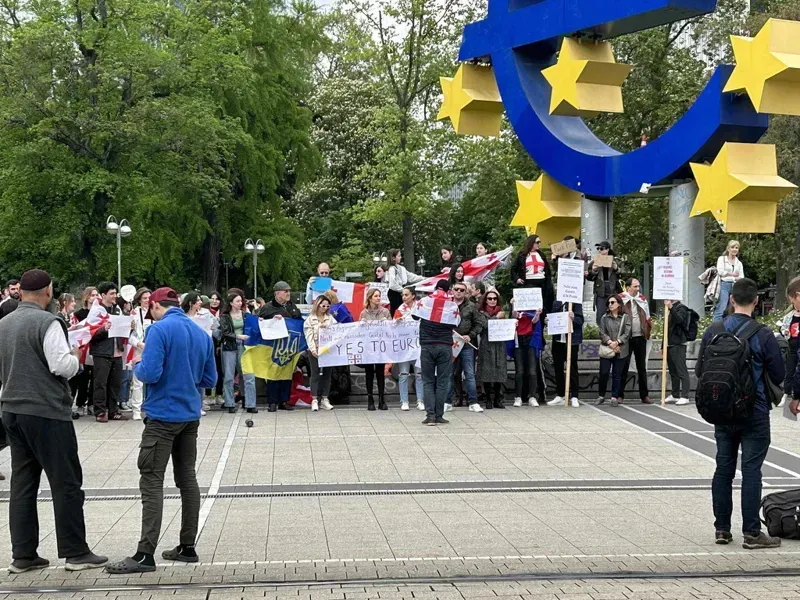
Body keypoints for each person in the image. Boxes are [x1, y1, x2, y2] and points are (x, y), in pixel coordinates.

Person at [0, 269, 107, 573]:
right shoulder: (48, 322)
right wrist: (75, 356)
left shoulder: (4, 323)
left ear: (20, 292)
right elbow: (60, 365)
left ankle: (23, 555)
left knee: (23, 484)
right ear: (48, 292)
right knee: (66, 482)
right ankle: (75, 552)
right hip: (45, 411)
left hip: (11, 409)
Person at [106, 287, 216, 574]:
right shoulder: (200, 334)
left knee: (152, 481)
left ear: (155, 305)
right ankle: (187, 546)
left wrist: (140, 362)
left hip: (162, 416)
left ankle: (145, 553)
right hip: (190, 415)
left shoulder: (159, 330)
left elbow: (151, 373)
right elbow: (209, 377)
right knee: (187, 478)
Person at [698, 278, 784, 550]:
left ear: (731, 300)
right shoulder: (763, 334)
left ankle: (722, 529)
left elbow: (701, 371)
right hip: (754, 410)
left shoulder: (714, 330)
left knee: (723, 469)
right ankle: (752, 532)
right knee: (751, 471)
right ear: (756, 301)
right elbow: (779, 373)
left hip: (722, 410)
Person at [259, 282, 302, 411]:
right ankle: (272, 402)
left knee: (286, 373)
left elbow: (299, 322)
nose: (288, 293)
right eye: (285, 291)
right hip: (273, 346)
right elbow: (260, 323)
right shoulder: (267, 308)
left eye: (289, 291)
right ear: (277, 293)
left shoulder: (292, 307)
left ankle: (284, 400)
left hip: (289, 345)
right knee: (273, 373)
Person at [419, 280, 457, 425]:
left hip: (427, 345)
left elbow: (415, 316)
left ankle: (430, 416)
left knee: (428, 381)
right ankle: (439, 415)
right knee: (442, 382)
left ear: (435, 288)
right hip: (444, 345)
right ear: (448, 290)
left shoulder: (425, 301)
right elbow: (456, 323)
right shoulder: (451, 304)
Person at [90, 282, 129, 423]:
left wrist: (129, 325)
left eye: (115, 293)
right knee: (100, 382)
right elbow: (90, 332)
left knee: (115, 383)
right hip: (102, 352)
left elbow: (122, 330)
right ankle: (100, 411)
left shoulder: (117, 309)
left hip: (116, 351)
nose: (115, 296)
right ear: (103, 295)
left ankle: (113, 410)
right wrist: (103, 329)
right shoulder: (96, 311)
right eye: (112, 293)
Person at [447, 281, 484, 413]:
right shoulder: (447, 305)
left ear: (466, 292)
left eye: (462, 290)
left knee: (469, 373)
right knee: (449, 373)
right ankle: (447, 402)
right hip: (451, 344)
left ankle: (473, 402)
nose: (459, 292)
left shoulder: (471, 306)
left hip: (467, 344)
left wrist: (471, 335)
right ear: (452, 290)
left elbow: (479, 324)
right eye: (456, 289)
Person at [219, 292, 257, 414]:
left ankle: (250, 403)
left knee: (248, 375)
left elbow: (254, 325)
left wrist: (259, 319)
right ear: (231, 303)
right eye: (237, 301)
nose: (240, 303)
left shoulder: (246, 315)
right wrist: (238, 336)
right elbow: (225, 333)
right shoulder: (225, 317)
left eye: (241, 301)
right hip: (230, 346)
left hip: (244, 346)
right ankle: (230, 403)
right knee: (229, 376)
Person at [620, 278, 652, 404]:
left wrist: (648, 329)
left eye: (638, 286)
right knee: (623, 367)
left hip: (640, 337)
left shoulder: (642, 299)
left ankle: (644, 395)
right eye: (635, 286)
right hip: (626, 339)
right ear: (628, 287)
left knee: (642, 367)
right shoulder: (621, 298)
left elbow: (647, 316)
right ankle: (619, 394)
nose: (638, 289)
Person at [597, 294, 631, 407]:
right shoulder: (604, 317)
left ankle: (614, 397)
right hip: (607, 348)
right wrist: (610, 342)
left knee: (617, 374)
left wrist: (618, 342)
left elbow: (627, 333)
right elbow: (601, 332)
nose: (610, 305)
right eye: (608, 303)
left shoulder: (625, 317)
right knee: (604, 372)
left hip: (621, 349)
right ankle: (601, 395)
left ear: (619, 304)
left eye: (613, 302)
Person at [547, 300, 583, 407]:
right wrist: (547, 320)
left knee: (572, 367)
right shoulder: (556, 302)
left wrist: (574, 318)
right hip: (558, 340)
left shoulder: (575, 303)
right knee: (558, 367)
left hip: (571, 341)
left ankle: (574, 396)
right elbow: (552, 317)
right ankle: (560, 394)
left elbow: (580, 321)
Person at [360, 287, 391, 410]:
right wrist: (361, 323)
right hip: (368, 347)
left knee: (380, 373)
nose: (378, 298)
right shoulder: (364, 313)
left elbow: (392, 329)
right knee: (369, 373)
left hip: (381, 346)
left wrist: (387, 322)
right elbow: (359, 332)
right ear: (370, 298)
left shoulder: (385, 312)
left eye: (379, 296)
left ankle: (382, 399)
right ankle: (370, 399)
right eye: (376, 296)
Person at [394, 287, 424, 411]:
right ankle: (404, 401)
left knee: (419, 374)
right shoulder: (399, 310)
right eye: (402, 295)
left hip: (418, 346)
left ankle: (420, 400)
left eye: (406, 295)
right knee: (404, 374)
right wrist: (396, 322)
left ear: (413, 295)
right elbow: (393, 328)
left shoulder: (421, 308)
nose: (404, 297)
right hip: (404, 348)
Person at [304, 296, 336, 412]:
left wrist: (328, 328)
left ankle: (325, 398)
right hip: (315, 349)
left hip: (328, 350)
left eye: (328, 306)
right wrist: (313, 350)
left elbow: (337, 331)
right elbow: (309, 336)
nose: (325, 308)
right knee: (315, 374)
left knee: (327, 374)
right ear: (317, 305)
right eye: (323, 305)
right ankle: (314, 399)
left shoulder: (331, 318)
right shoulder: (310, 320)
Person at [71, 287, 100, 416]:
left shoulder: (99, 313)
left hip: (96, 347)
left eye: (96, 295)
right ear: (87, 297)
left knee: (95, 377)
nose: (95, 297)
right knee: (82, 378)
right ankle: (80, 403)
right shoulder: (79, 314)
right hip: (83, 348)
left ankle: (92, 403)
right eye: (92, 295)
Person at [478, 290, 507, 409]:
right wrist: (496, 318)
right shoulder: (481, 312)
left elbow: (505, 327)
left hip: (499, 345)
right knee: (486, 372)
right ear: (485, 300)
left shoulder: (502, 312)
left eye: (494, 298)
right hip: (486, 344)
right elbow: (484, 326)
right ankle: (488, 398)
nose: (492, 301)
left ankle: (498, 399)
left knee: (499, 371)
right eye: (489, 298)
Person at [510, 235, 554, 314]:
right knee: (529, 308)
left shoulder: (541, 255)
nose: (539, 244)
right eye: (537, 242)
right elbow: (513, 269)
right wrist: (517, 279)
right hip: (528, 284)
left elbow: (547, 270)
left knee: (541, 307)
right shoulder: (522, 255)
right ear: (531, 243)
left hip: (542, 284)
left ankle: (541, 323)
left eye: (539, 242)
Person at [512, 302, 544, 407]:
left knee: (532, 370)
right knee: (519, 370)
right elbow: (514, 315)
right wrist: (513, 304)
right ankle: (518, 397)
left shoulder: (532, 309)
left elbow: (534, 321)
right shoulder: (517, 308)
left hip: (530, 339)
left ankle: (533, 396)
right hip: (518, 340)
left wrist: (538, 313)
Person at [128, 288, 151, 421]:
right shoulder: (134, 314)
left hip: (154, 350)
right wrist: (139, 344)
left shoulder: (156, 312)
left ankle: (151, 407)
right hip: (139, 350)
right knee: (137, 382)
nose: (147, 300)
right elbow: (129, 336)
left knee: (153, 380)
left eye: (149, 297)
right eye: (144, 298)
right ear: (139, 300)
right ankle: (136, 409)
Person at [664, 298, 691, 406]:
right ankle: (675, 394)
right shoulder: (669, 310)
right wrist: (663, 346)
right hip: (670, 344)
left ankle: (685, 396)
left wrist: (671, 307)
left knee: (681, 370)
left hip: (678, 344)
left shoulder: (681, 308)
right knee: (673, 371)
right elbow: (666, 328)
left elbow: (679, 320)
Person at [586, 241, 620, 323]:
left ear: (607, 249)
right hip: (600, 290)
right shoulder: (595, 261)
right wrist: (593, 270)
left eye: (602, 248)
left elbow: (623, 275)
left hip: (613, 290)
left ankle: (613, 332)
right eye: (598, 249)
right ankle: (602, 332)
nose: (599, 251)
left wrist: (616, 269)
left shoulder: (615, 260)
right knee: (601, 314)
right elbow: (589, 277)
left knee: (614, 312)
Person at [387, 249, 424, 316]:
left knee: (405, 310)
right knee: (396, 310)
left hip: (402, 291)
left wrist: (423, 278)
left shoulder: (401, 268)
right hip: (395, 293)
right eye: (399, 256)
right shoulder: (391, 269)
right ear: (393, 258)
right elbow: (392, 285)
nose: (400, 257)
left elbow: (411, 277)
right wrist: (403, 290)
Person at [713, 240, 744, 322]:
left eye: (736, 248)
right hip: (724, 285)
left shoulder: (739, 263)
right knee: (721, 309)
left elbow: (741, 277)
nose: (734, 249)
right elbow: (720, 272)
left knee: (731, 310)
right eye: (732, 247)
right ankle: (715, 330)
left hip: (735, 287)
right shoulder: (722, 259)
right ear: (728, 249)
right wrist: (733, 275)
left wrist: (730, 276)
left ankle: (727, 329)